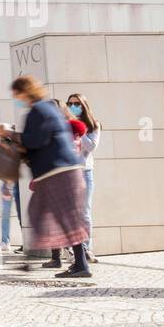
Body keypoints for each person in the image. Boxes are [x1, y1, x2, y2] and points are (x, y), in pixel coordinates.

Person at [0, 75, 90, 278]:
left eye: (16, 94)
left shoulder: (39, 109)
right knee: (49, 216)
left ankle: (79, 264)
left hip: (58, 173)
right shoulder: (44, 109)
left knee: (54, 216)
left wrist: (10, 133)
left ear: (25, 91)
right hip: (56, 172)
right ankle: (77, 263)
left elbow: (35, 140)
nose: (15, 97)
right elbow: (34, 143)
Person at [66, 92, 100, 262]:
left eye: (77, 103)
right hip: (68, 173)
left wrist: (80, 128)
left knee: (84, 212)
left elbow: (91, 146)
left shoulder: (94, 125)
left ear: (83, 105)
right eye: (70, 103)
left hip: (85, 172)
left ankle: (87, 248)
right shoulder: (65, 124)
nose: (73, 106)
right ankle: (73, 250)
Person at [0, 180, 15, 252]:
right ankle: (5, 241)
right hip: (8, 187)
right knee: (5, 217)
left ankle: (5, 242)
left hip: (12, 186)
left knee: (6, 217)